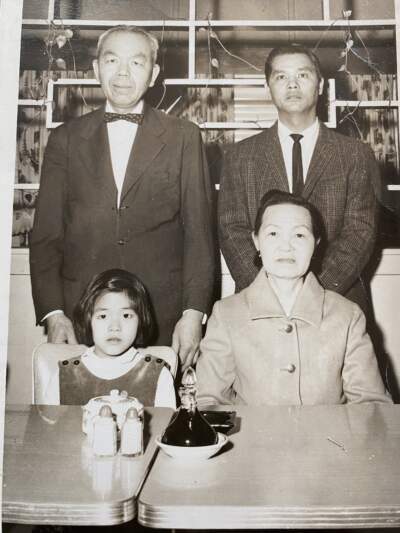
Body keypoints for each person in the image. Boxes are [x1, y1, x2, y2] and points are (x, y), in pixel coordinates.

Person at [30, 25, 215, 368]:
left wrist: (193, 315)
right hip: (80, 315)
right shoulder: (65, 140)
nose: (123, 74)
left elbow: (199, 236)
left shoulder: (184, 137)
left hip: (162, 315)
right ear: (97, 67)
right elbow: (45, 237)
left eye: (137, 62)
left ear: (154, 73)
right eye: (112, 60)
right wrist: (54, 314)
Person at [218, 44, 380, 314]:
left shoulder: (355, 154)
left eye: (302, 75)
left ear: (320, 86)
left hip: (337, 303)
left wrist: (312, 295)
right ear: (268, 87)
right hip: (258, 306)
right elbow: (231, 230)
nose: (292, 84)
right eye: (281, 77)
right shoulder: (239, 156)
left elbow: (360, 232)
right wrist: (269, 292)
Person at [196, 191, 391, 406]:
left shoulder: (347, 316)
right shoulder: (227, 314)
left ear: (316, 243)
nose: (286, 246)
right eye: (273, 234)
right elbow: (209, 403)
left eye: (299, 235)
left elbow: (372, 407)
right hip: (253, 439)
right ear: (256, 241)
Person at [37, 269, 176, 407]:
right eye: (103, 316)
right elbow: (47, 428)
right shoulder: (62, 376)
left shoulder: (159, 375)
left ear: (141, 321)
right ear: (88, 320)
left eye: (126, 315)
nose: (114, 327)